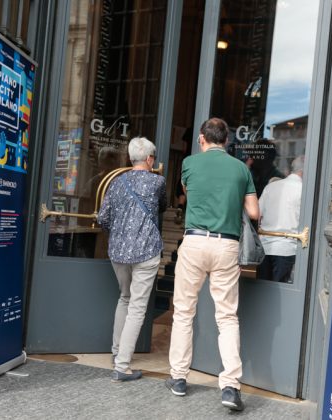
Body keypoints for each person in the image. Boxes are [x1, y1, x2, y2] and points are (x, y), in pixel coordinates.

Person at [165, 118, 259, 411]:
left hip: (194, 241)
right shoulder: (241, 169)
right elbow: (254, 212)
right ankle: (230, 386)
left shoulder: (190, 164)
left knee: (183, 311)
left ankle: (179, 378)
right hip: (226, 244)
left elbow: (189, 194)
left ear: (202, 138)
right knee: (227, 316)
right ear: (227, 140)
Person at [97, 136, 167, 382]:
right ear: (149, 159)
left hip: (119, 253)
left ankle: (117, 353)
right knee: (137, 306)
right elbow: (162, 207)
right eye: (153, 158)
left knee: (124, 298)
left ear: (130, 158)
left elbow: (103, 218)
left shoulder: (116, 182)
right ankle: (122, 366)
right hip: (146, 251)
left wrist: (119, 235)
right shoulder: (157, 182)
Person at [257, 155, 304, 283]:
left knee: (262, 287)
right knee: (281, 289)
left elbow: (258, 214)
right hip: (287, 247)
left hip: (265, 246)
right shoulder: (303, 190)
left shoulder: (271, 187)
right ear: (304, 172)